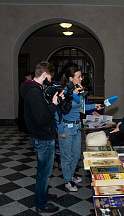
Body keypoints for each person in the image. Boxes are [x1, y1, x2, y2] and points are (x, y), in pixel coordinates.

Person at [20, 61, 65, 213]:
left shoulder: (36, 89)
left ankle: (43, 194)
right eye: (51, 78)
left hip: (42, 135)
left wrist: (52, 99)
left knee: (44, 171)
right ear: (44, 75)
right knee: (44, 173)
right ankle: (41, 204)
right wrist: (54, 104)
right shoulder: (33, 92)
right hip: (43, 137)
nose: (51, 81)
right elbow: (41, 118)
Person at [56, 66, 103, 192]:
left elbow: (82, 106)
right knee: (66, 157)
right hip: (66, 127)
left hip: (77, 126)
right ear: (71, 79)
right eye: (78, 77)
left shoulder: (79, 90)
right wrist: (60, 130)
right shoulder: (64, 92)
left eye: (81, 76)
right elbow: (57, 111)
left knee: (76, 155)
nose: (81, 78)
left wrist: (94, 107)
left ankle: (71, 175)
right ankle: (67, 181)